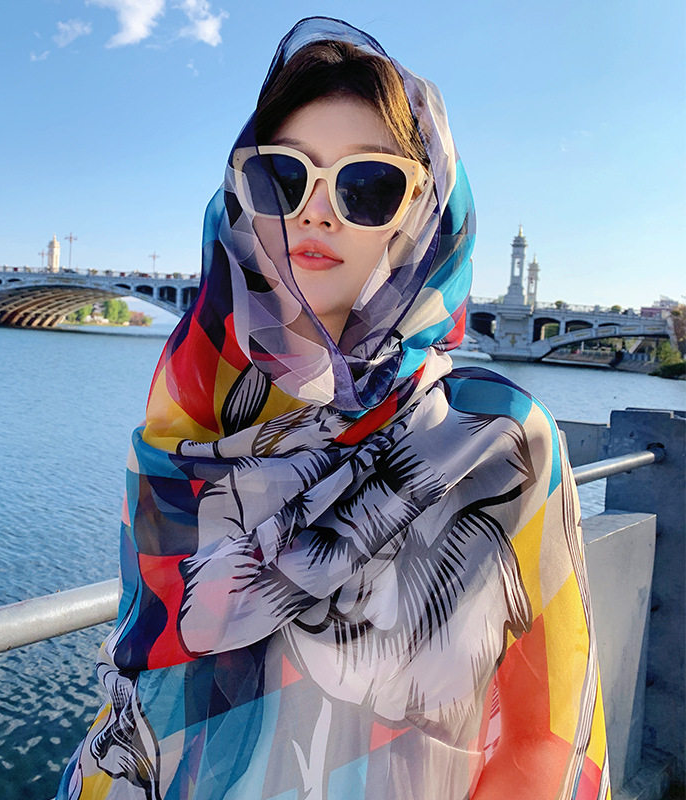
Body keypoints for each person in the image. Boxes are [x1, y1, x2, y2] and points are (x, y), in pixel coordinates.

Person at [57, 17, 610, 800]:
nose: (315, 213)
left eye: (367, 186)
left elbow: (548, 739)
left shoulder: (499, 439)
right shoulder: (184, 422)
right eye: (281, 178)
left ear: (424, 217)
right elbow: (142, 682)